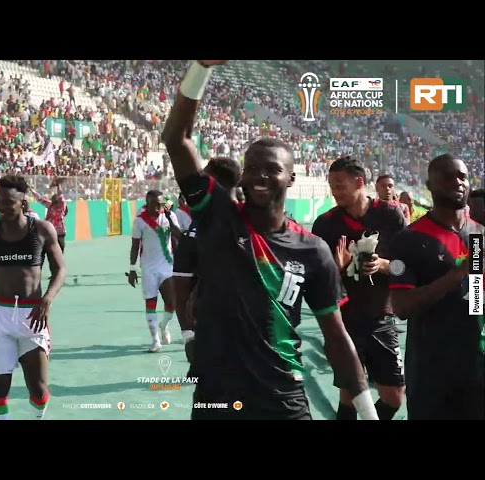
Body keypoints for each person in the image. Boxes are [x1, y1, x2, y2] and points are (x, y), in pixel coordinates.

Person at [162, 60, 377, 420]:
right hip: (218, 397)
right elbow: (176, 139)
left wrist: (368, 413)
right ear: (242, 176)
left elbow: (336, 338)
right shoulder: (218, 217)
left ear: (291, 178)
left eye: (273, 169)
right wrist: (201, 67)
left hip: (283, 399)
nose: (261, 176)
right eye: (253, 168)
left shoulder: (312, 250)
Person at [0, 175, 67, 420]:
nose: (1, 207)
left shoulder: (41, 230)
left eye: (8, 202)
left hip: (33, 318)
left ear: (23, 204)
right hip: (1, 317)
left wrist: (47, 299)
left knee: (38, 391)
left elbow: (60, 269)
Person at [389, 154, 484, 420]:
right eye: (447, 176)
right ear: (429, 184)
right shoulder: (409, 240)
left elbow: (475, 295)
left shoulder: (478, 235)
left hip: (475, 370)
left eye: (462, 177)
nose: (457, 182)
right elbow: (402, 307)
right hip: (431, 375)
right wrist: (456, 276)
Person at [312, 157, 407, 421]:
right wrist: (336, 267)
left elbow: (406, 267)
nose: (335, 192)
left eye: (340, 185)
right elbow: (316, 279)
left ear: (359, 183)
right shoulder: (325, 224)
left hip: (381, 317)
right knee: (350, 394)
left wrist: (384, 264)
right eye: (332, 186)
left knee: (394, 395)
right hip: (344, 321)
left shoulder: (390, 215)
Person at [173, 157, 242, 362]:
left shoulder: (255, 222)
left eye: (205, 176)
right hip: (212, 330)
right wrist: (188, 336)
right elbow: (182, 284)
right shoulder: (195, 234)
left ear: (215, 182)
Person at [128, 190, 181, 353]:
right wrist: (132, 269)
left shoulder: (170, 215)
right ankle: (155, 340)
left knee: (171, 302)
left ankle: (164, 326)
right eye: (154, 204)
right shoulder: (139, 221)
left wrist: (171, 219)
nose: (158, 207)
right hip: (148, 268)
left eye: (160, 203)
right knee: (150, 303)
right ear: (147, 203)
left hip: (167, 265)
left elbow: (179, 235)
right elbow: (135, 245)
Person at [31, 180, 68, 253]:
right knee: (48, 248)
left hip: (60, 231)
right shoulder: (50, 205)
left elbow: (60, 195)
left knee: (60, 249)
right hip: (50, 230)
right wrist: (31, 190)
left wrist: (58, 186)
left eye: (56, 197)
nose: (54, 198)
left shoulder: (61, 205)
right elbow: (39, 198)